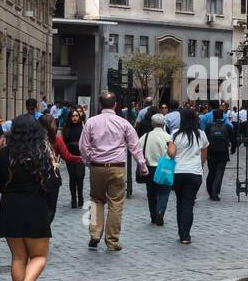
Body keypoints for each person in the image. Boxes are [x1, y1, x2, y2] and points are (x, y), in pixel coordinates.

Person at [0, 114, 59, 281]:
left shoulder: (3, 154)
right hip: (35, 208)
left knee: (18, 257)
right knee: (39, 256)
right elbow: (53, 184)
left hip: (10, 208)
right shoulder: (43, 153)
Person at [78, 91, 149, 251]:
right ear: (115, 105)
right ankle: (112, 241)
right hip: (117, 167)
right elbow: (135, 146)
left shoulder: (91, 122)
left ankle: (95, 234)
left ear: (100, 105)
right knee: (115, 204)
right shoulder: (123, 123)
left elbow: (83, 146)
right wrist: (142, 166)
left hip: (97, 166)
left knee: (96, 200)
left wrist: (88, 159)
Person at [167, 108, 208, 244]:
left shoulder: (175, 134)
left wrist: (170, 145)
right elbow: (204, 154)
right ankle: (186, 234)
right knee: (188, 204)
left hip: (178, 172)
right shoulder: (201, 134)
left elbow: (171, 154)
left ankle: (181, 231)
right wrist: (200, 166)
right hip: (194, 173)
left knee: (180, 201)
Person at [38, 113, 81, 222]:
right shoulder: (56, 139)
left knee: (38, 207)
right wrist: (82, 158)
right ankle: (44, 230)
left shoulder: (34, 139)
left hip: (36, 176)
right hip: (52, 176)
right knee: (50, 208)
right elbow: (67, 156)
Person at [139, 112, 172, 225]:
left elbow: (138, 150)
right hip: (164, 168)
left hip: (150, 168)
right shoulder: (168, 137)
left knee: (151, 193)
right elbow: (172, 153)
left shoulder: (146, 136)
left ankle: (153, 215)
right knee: (164, 192)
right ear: (163, 123)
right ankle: (160, 212)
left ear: (152, 123)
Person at [204, 103, 235, 201]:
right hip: (223, 153)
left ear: (213, 116)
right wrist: (233, 149)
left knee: (211, 172)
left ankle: (210, 191)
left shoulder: (209, 126)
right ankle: (215, 193)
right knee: (219, 174)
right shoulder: (227, 127)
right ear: (222, 116)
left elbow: (205, 140)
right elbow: (233, 140)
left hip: (211, 153)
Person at [62, 108, 86, 208]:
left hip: (80, 155)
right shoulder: (66, 128)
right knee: (72, 178)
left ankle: (80, 197)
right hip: (70, 155)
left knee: (80, 177)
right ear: (70, 117)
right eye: (73, 116)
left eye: (76, 116)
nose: (75, 118)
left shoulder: (83, 126)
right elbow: (63, 142)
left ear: (79, 117)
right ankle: (73, 199)